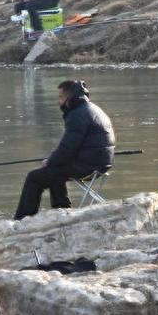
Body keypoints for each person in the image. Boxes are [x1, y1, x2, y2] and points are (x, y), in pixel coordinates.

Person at [14, 79, 115, 220]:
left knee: (34, 177)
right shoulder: (92, 109)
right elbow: (68, 148)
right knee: (56, 170)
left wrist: (49, 161)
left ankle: (22, 220)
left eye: (61, 97)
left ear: (70, 97)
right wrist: (53, 160)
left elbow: (67, 149)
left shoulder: (77, 115)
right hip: (101, 163)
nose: (59, 101)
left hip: (88, 166)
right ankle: (62, 210)